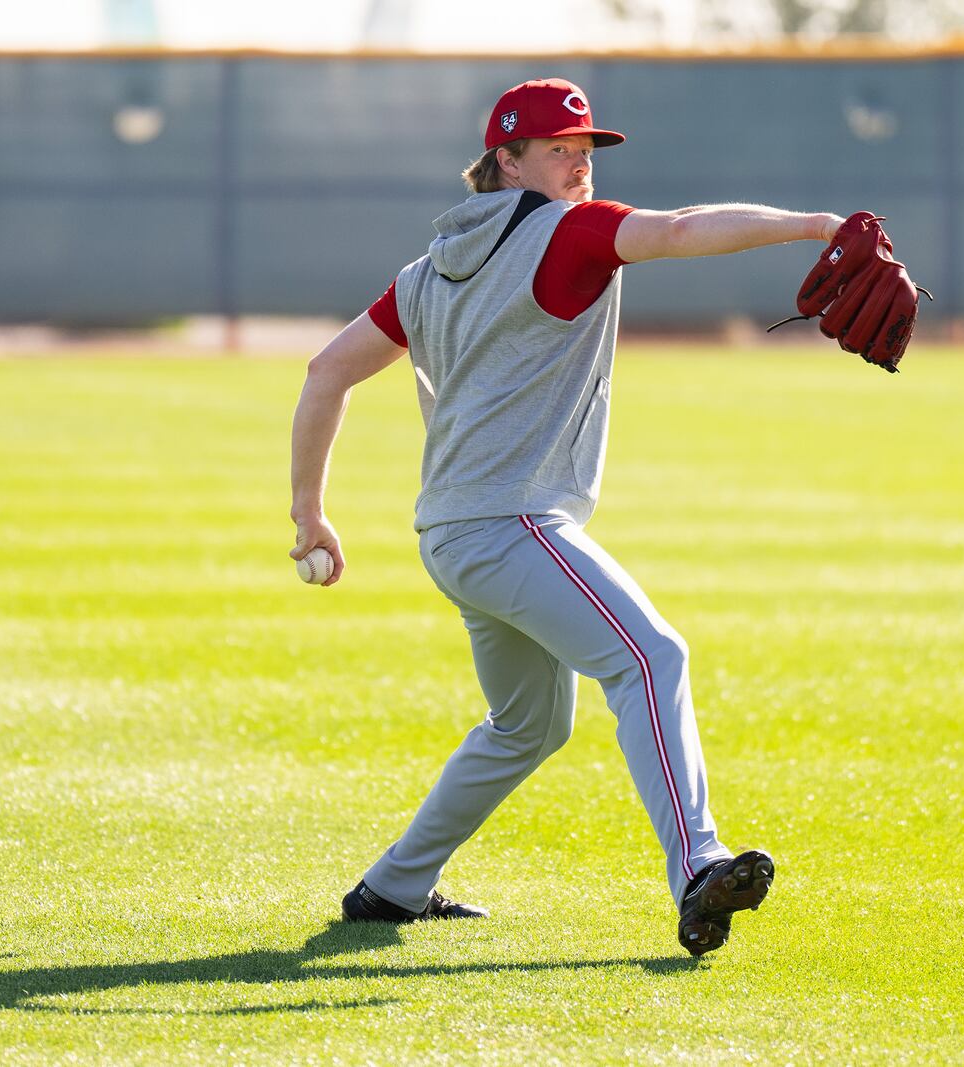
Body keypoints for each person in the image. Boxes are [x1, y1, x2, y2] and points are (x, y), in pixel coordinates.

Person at [288, 77, 845, 958]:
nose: (579, 162)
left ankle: (393, 886)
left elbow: (327, 370)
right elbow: (679, 230)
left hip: (451, 532)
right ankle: (699, 861)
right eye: (557, 148)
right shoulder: (570, 230)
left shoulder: (427, 272)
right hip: (511, 524)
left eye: (585, 149)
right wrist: (817, 226)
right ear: (505, 161)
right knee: (652, 655)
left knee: (529, 724)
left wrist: (309, 514)